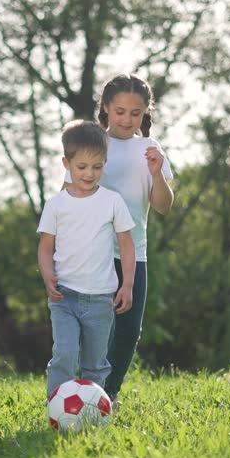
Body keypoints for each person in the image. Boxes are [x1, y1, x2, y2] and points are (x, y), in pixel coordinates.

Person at [64, 74, 175, 406]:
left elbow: (163, 207)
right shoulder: (93, 144)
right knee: (89, 330)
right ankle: (75, 392)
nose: (127, 119)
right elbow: (67, 194)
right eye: (120, 111)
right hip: (90, 252)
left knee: (127, 332)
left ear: (145, 113)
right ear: (106, 109)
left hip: (132, 255)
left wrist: (156, 174)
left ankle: (105, 397)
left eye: (136, 113)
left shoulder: (150, 150)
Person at [37, 120, 137, 400]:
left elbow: (127, 246)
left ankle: (94, 412)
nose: (90, 173)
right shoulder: (56, 205)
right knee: (64, 356)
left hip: (100, 299)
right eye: (82, 167)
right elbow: (45, 248)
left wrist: (127, 285)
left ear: (105, 163)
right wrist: (47, 277)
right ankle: (55, 409)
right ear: (66, 164)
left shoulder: (112, 201)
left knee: (95, 365)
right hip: (64, 298)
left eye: (97, 166)